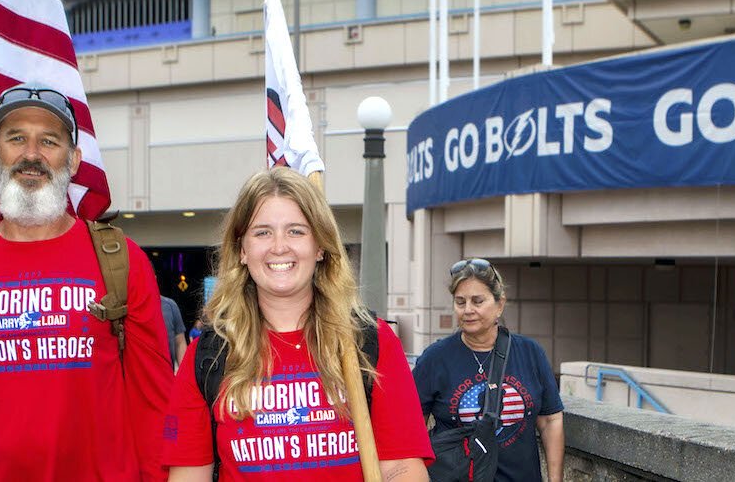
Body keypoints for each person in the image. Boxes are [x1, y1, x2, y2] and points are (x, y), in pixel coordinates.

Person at [0, 83, 173, 481]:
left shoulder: (122, 260)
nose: (31, 154)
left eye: (49, 141)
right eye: (16, 139)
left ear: (74, 160)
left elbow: (154, 403)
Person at [162, 167, 432, 481]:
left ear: (319, 247)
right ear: (242, 250)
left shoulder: (369, 341)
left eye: (296, 231)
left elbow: (401, 469)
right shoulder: (207, 356)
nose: (279, 246)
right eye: (262, 232)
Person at [413, 258, 564, 482]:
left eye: (477, 301)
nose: (468, 310)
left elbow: (551, 421)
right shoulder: (435, 358)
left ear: (499, 304)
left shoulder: (530, 352)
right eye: (460, 302)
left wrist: (555, 479)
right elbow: (413, 431)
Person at [163, 296, 187, 369]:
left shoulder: (169, 305)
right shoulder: (129, 307)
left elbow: (180, 342)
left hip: (167, 375)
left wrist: (184, 372)